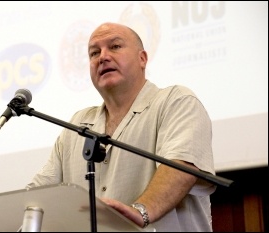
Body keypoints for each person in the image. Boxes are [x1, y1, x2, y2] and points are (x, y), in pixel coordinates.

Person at [27, 22, 216, 232]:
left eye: (115, 47)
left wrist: (141, 211)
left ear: (142, 58)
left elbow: (181, 167)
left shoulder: (175, 101)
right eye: (94, 53)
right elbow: (38, 196)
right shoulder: (77, 125)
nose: (103, 57)